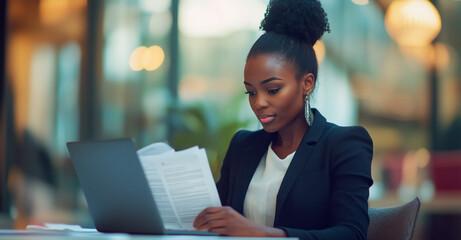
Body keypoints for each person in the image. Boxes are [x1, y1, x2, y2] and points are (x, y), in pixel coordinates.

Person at [193, 0, 373, 239]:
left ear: (306, 84)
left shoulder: (344, 144)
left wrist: (259, 233)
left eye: (273, 89)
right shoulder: (243, 146)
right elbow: (215, 219)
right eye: (251, 92)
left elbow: (352, 234)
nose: (259, 103)